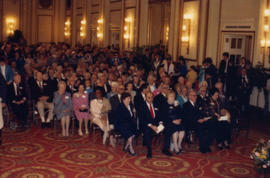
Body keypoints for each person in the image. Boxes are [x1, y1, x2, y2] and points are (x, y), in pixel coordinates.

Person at [138, 92, 162, 158]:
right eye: (149, 97)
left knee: (165, 127)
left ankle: (165, 148)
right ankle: (149, 150)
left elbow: (159, 115)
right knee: (147, 131)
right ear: (145, 98)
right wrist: (151, 126)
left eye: (152, 97)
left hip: (155, 124)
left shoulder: (156, 104)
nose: (151, 99)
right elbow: (142, 119)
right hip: (146, 124)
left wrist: (160, 123)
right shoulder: (142, 106)